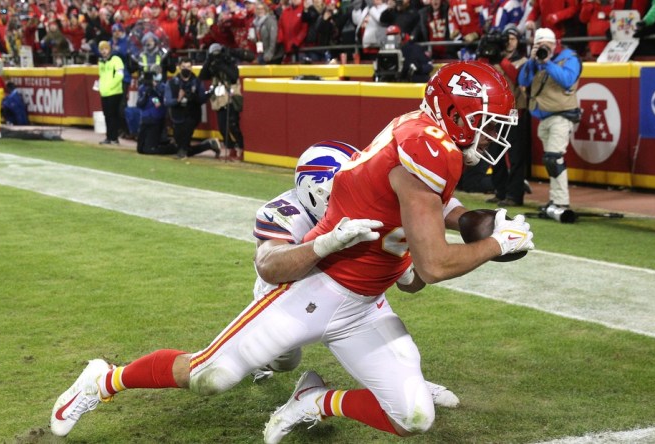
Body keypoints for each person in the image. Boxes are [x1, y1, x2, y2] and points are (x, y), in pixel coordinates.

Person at [49, 61, 534, 441]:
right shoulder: (424, 151)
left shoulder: (423, 136)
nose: (494, 133)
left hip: (365, 305)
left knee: (413, 416)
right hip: (312, 289)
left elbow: (429, 217)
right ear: (452, 114)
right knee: (210, 376)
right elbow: (432, 263)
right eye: (486, 122)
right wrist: (494, 244)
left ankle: (314, 402)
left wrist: (476, 223)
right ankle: (103, 380)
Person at [518, 27, 581, 210]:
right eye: (538, 44)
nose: (542, 47)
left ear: (554, 44)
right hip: (544, 116)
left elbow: (567, 80)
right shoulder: (536, 59)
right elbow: (523, 81)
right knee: (550, 160)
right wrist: (531, 61)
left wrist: (547, 62)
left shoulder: (570, 58)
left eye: (545, 44)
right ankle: (555, 200)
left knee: (554, 158)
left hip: (562, 115)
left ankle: (561, 202)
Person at [484, 25, 530, 206]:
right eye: (507, 38)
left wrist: (500, 60)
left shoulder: (523, 61)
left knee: (516, 157)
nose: (509, 42)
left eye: (513, 38)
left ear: (518, 41)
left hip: (516, 113)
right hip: (496, 114)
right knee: (495, 154)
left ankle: (514, 195)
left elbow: (518, 78)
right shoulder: (494, 60)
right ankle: (500, 190)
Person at [165, 57, 220, 159]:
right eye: (183, 67)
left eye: (188, 67)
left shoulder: (197, 82)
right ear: (179, 67)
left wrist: (195, 96)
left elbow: (202, 99)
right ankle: (209, 145)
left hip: (192, 114)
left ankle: (183, 152)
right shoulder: (172, 83)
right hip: (177, 116)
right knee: (182, 147)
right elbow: (167, 101)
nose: (186, 69)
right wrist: (178, 99)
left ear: (192, 67)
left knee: (186, 133)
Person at [199, 43, 245, 160]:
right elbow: (202, 76)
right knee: (222, 127)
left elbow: (234, 76)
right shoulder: (212, 64)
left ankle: (241, 147)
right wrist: (209, 61)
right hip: (219, 100)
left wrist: (222, 65)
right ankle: (230, 148)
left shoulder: (229, 62)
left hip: (231, 97)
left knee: (233, 125)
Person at [96, 40, 125, 145]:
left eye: (105, 49)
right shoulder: (101, 62)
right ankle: (109, 137)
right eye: (102, 49)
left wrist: (110, 86)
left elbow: (120, 75)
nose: (104, 51)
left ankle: (114, 137)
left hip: (115, 92)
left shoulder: (116, 59)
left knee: (113, 115)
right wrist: (100, 86)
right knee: (107, 115)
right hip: (105, 92)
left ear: (109, 49)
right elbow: (102, 76)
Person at [135, 71, 167, 154]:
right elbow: (139, 104)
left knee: (149, 149)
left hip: (156, 120)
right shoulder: (142, 88)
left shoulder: (162, 87)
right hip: (145, 120)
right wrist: (146, 95)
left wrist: (155, 90)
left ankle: (171, 148)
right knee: (140, 149)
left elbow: (160, 104)